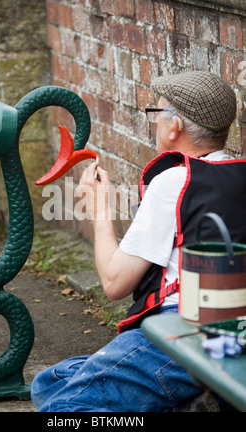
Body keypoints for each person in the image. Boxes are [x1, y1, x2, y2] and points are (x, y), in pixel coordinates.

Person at [31, 71, 246, 412]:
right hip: (237, 328)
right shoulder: (239, 173)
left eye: (156, 114)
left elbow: (115, 282)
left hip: (186, 329)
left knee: (63, 408)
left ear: (173, 127)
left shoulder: (174, 180)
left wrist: (100, 207)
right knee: (49, 382)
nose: (154, 123)